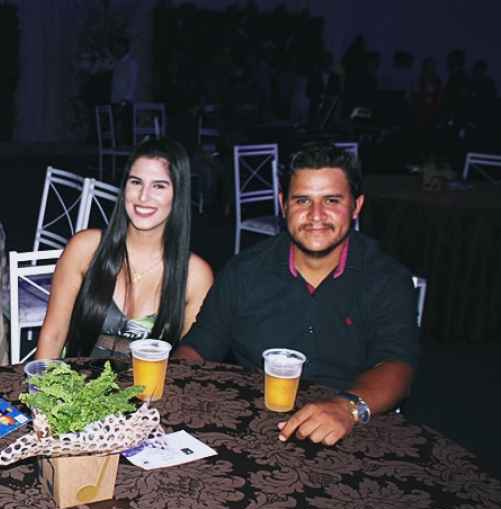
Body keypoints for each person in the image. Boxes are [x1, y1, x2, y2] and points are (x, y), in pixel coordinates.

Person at [176, 144, 418, 446]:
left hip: (350, 429)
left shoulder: (385, 278)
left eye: (331, 200)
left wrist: (347, 407)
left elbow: (397, 366)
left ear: (356, 206)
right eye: (302, 200)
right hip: (252, 430)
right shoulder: (245, 271)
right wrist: (172, 385)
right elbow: (199, 347)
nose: (316, 215)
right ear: (283, 205)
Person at [36, 137, 214, 359]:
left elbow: (189, 364)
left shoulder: (195, 275)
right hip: (74, 380)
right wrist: (41, 381)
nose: (143, 196)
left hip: (151, 382)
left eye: (159, 186)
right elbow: (53, 336)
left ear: (178, 194)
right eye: (136, 182)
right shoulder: (85, 249)